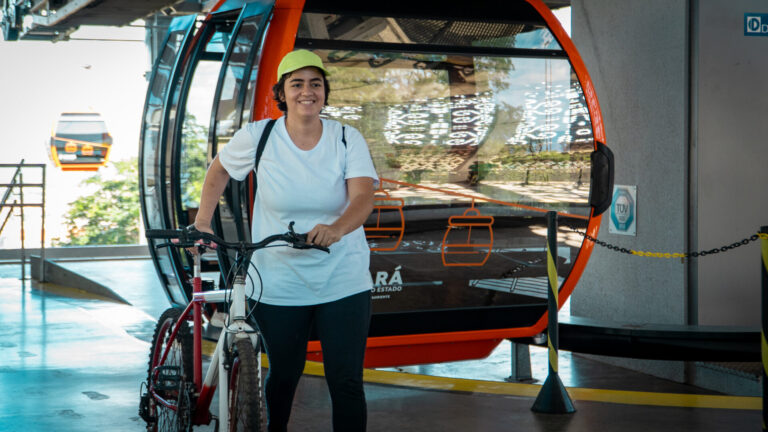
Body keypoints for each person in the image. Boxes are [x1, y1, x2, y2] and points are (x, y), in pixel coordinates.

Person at [191, 49, 377, 431]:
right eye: (297, 84)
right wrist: (203, 222)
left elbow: (363, 197)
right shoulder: (259, 137)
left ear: (325, 91)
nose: (307, 92)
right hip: (278, 280)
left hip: (342, 276)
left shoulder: (346, 138)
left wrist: (337, 228)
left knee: (346, 381)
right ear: (282, 92)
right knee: (284, 374)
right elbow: (220, 170)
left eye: (315, 84)